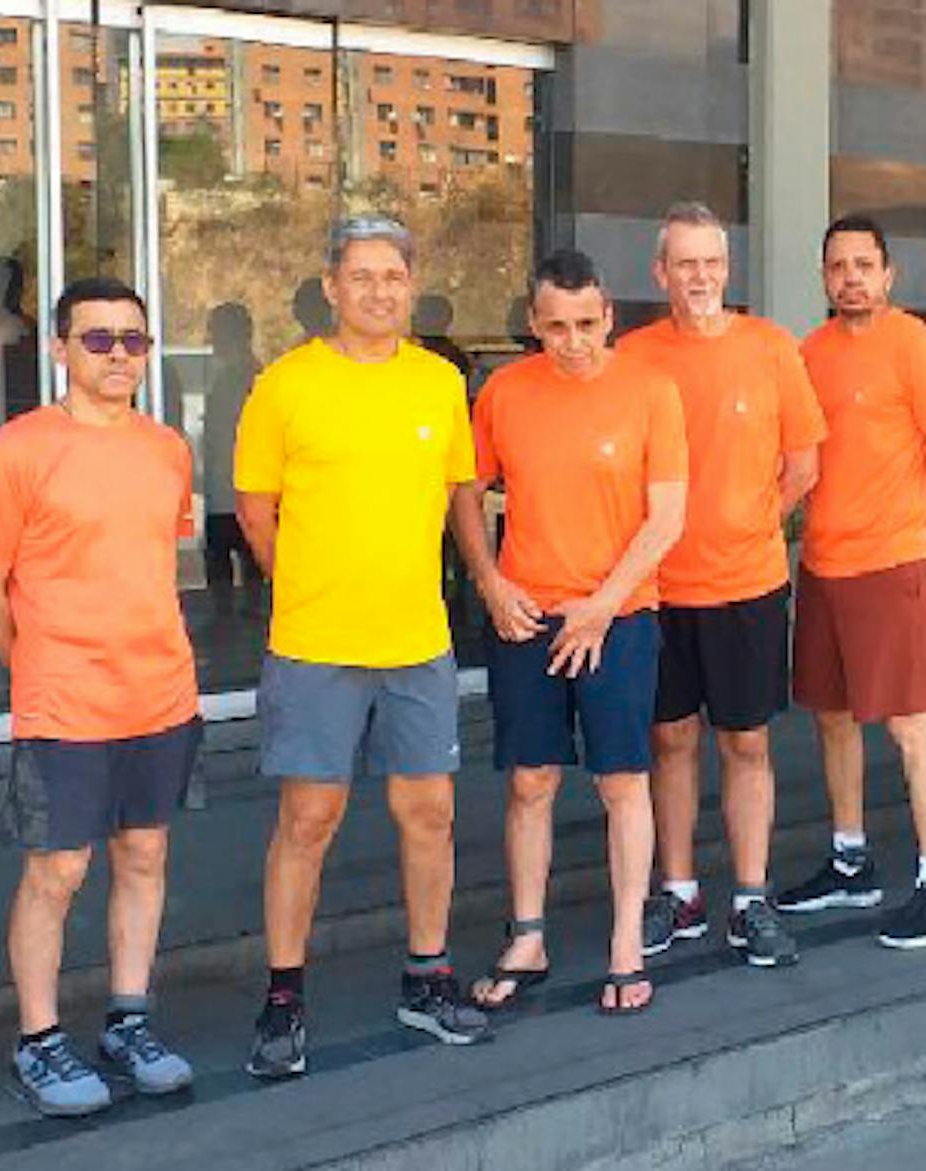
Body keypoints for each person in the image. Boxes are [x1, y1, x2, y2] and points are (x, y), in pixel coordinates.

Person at [236, 215, 490, 1081]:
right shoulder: (286, 384)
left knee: (431, 814)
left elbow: (459, 493)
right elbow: (256, 510)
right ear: (331, 286)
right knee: (309, 820)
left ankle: (428, 975)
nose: (380, 290)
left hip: (417, 637)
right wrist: (307, 584)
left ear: (409, 286)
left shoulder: (439, 383)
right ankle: (283, 995)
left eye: (394, 275)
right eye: (363, 275)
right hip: (315, 643)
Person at [0, 277, 202, 1116]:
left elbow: (159, 558)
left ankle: (129, 1020)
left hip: (160, 693)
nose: (118, 355)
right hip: (65, 701)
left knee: (144, 856)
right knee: (58, 869)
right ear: (59, 347)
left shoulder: (168, 447)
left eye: (134, 340)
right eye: (97, 339)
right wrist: (35, 665)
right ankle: (40, 1037)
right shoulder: (18, 451)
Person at [452, 249, 687, 1016]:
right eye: (556, 326)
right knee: (530, 780)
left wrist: (601, 605)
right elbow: (466, 492)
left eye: (587, 323)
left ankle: (625, 938)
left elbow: (667, 516)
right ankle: (528, 934)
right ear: (533, 323)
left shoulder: (650, 389)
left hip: (618, 616)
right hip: (527, 614)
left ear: (609, 317)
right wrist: (489, 581)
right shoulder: (505, 392)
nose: (573, 340)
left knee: (622, 780)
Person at [617, 202, 826, 967]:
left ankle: (749, 896)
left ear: (726, 269)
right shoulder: (633, 357)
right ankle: (679, 893)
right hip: (659, 589)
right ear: (660, 273)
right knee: (668, 739)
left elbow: (803, 463)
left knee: (746, 740)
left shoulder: (771, 348)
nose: (699, 276)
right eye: (685, 263)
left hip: (748, 584)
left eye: (711, 262)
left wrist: (750, 522)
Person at [776, 215, 926, 949]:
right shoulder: (809, 354)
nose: (852, 278)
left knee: (911, 725)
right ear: (825, 276)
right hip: (825, 565)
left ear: (889, 274)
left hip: (897, 560)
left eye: (865, 264)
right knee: (831, 716)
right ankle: (850, 859)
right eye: (838, 266)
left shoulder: (913, 345)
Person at [202, 301, 262, 617]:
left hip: (238, 493)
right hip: (229, 491)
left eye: (216, 331)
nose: (210, 339)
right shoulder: (243, 376)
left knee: (235, 580)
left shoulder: (246, 380)